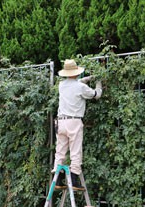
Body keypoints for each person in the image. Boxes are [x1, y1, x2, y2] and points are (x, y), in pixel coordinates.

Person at [52, 59, 102, 191]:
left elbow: (76, 82)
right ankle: (74, 181)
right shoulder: (81, 87)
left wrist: (88, 78)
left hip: (61, 121)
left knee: (60, 151)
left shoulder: (62, 85)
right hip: (74, 122)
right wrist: (98, 83)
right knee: (75, 151)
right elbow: (96, 95)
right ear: (76, 72)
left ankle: (57, 180)